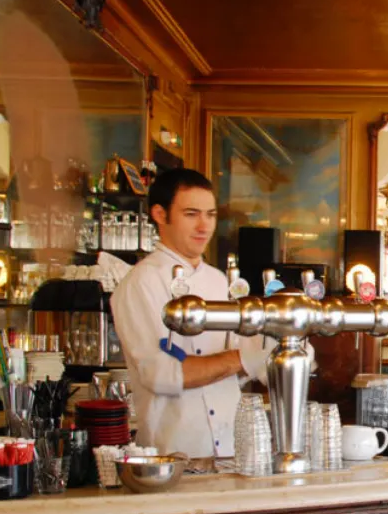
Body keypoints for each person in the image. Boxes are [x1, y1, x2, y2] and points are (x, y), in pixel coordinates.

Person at [111, 168, 271, 458]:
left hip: (231, 450)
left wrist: (266, 355)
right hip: (172, 455)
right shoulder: (139, 284)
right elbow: (161, 375)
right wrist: (242, 358)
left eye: (210, 215)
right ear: (160, 215)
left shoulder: (219, 280)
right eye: (191, 214)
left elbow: (235, 368)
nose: (204, 226)